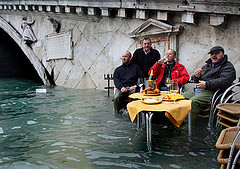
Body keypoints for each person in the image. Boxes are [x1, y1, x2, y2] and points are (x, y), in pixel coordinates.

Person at [183, 46, 236, 118]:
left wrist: (207, 84)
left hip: (215, 91)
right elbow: (194, 79)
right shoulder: (207, 65)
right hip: (201, 89)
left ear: (223, 54)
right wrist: (196, 77)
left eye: (217, 53)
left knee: (193, 102)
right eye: (212, 54)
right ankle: (181, 120)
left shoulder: (227, 66)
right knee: (181, 97)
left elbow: (224, 81)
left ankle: (189, 126)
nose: (214, 55)